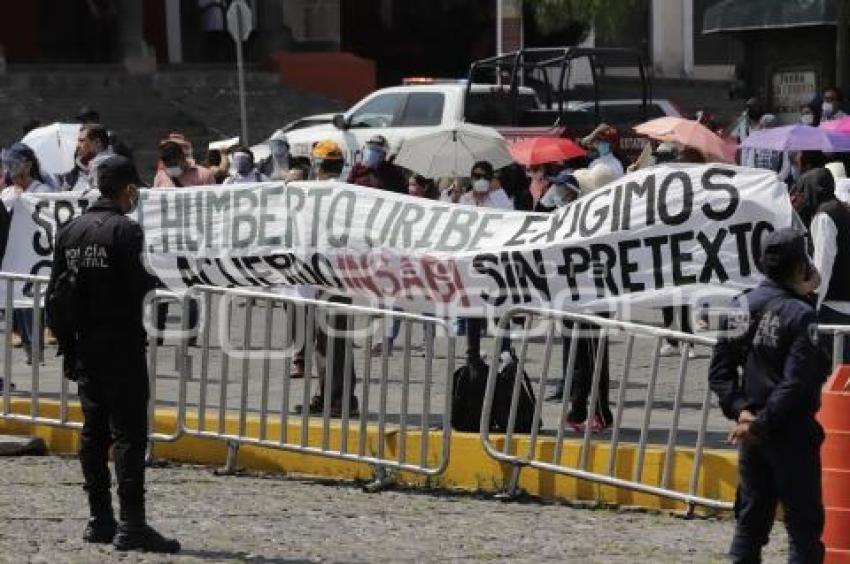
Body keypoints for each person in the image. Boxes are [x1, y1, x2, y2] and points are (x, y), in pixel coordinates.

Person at [47, 155, 180, 553]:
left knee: (93, 433)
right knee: (128, 435)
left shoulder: (70, 231)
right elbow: (141, 287)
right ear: (127, 189)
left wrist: (68, 348)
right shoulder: (127, 231)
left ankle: (99, 519)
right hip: (121, 344)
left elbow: (55, 298)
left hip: (85, 345)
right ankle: (132, 524)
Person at [708, 228, 826, 563]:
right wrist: (759, 422)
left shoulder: (741, 304)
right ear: (801, 264)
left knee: (750, 523)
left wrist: (742, 412)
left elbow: (720, 373)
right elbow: (796, 383)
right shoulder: (800, 315)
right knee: (803, 528)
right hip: (788, 431)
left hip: (753, 434)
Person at [295, 140, 358, 415]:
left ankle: (339, 398)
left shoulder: (321, 195)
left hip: (330, 275)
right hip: (328, 275)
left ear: (318, 166)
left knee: (333, 338)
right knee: (327, 339)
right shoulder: (347, 194)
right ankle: (330, 394)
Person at [1, 143, 55, 365]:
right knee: (14, 302)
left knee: (32, 304)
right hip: (11, 255)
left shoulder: (42, 191)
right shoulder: (7, 192)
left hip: (35, 256)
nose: (10, 169)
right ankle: (24, 340)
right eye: (8, 164)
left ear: (28, 165)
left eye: (15, 163)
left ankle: (35, 346)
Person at [802, 168, 850, 364]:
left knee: (833, 377)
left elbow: (822, 267)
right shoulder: (842, 210)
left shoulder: (824, 216)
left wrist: (813, 304)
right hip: (845, 304)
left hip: (833, 309)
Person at [60, 124, 113, 193]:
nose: (77, 145)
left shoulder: (110, 167)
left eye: (82, 141)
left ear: (97, 142)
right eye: (78, 141)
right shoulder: (75, 172)